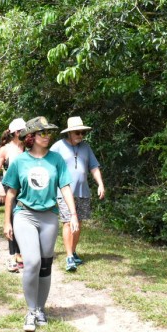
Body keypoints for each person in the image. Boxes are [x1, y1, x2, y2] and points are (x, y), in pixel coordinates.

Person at [2, 116, 78, 332]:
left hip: (49, 216)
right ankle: (31, 310)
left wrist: (72, 214)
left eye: (48, 133)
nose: (47, 136)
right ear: (31, 136)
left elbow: (64, 188)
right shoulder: (19, 161)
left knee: (45, 265)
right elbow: (11, 193)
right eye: (42, 133)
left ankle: (40, 309)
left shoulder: (56, 160)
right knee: (32, 262)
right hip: (25, 214)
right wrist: (7, 221)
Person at [51, 116, 105, 272]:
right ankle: (69, 256)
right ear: (69, 133)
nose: (80, 136)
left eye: (82, 133)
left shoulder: (86, 148)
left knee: (78, 223)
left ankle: (73, 251)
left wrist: (100, 184)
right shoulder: (58, 147)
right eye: (77, 133)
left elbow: (94, 167)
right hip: (64, 192)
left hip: (83, 191)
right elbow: (47, 164)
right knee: (68, 222)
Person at [0, 117, 26, 273]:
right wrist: (0, 188)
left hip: (25, 189)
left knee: (23, 222)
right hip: (9, 188)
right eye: (21, 131)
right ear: (14, 133)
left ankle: (20, 254)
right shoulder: (5, 149)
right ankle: (12, 255)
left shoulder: (28, 147)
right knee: (12, 221)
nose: (24, 133)